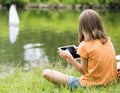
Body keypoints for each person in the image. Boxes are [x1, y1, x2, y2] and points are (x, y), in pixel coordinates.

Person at [42, 9, 117, 88]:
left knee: (46, 72)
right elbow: (96, 59)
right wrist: (82, 53)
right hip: (110, 83)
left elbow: (84, 72)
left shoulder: (84, 45)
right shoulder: (108, 42)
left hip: (91, 85)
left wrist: (69, 57)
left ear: (82, 27)